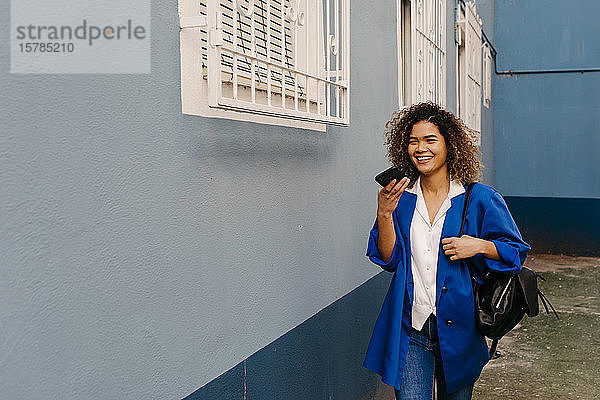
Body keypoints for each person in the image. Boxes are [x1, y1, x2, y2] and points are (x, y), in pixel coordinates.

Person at [363, 102, 530, 400]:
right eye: (413, 141)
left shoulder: (479, 199)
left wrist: (478, 245)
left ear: (449, 145)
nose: (420, 148)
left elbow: (516, 252)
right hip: (411, 329)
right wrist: (384, 214)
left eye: (430, 140)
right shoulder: (402, 201)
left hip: (462, 329)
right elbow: (388, 259)